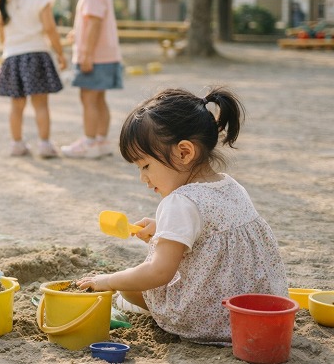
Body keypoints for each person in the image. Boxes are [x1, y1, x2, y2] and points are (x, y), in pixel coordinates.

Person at [77, 87, 287, 344]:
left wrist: (107, 281)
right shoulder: (230, 186)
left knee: (128, 285)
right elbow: (212, 235)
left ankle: (141, 306)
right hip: (255, 312)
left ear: (185, 152)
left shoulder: (180, 202)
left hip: (208, 320)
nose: (143, 178)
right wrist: (161, 228)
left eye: (145, 165)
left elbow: (159, 273)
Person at [0, 0, 66, 158]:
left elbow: (2, 35)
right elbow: (50, 29)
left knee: (16, 106)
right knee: (40, 104)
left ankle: (16, 144)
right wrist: (60, 53)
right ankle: (44, 145)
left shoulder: (6, 1)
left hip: (12, 59)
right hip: (36, 56)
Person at [59, 0, 122, 159]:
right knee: (99, 99)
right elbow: (94, 24)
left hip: (94, 58)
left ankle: (89, 141)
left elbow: (94, 26)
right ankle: (101, 141)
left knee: (88, 99)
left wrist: (85, 54)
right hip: (107, 56)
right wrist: (77, 33)